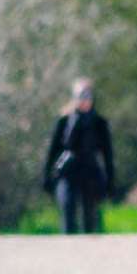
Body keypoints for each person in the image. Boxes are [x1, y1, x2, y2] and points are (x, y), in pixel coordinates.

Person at [42, 78, 115, 234]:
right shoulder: (64, 121)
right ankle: (68, 251)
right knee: (67, 209)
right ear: (74, 98)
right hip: (67, 171)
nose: (84, 99)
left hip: (90, 172)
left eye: (87, 95)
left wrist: (110, 180)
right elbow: (53, 150)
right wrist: (46, 176)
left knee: (90, 217)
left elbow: (107, 154)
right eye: (81, 95)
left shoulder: (99, 123)